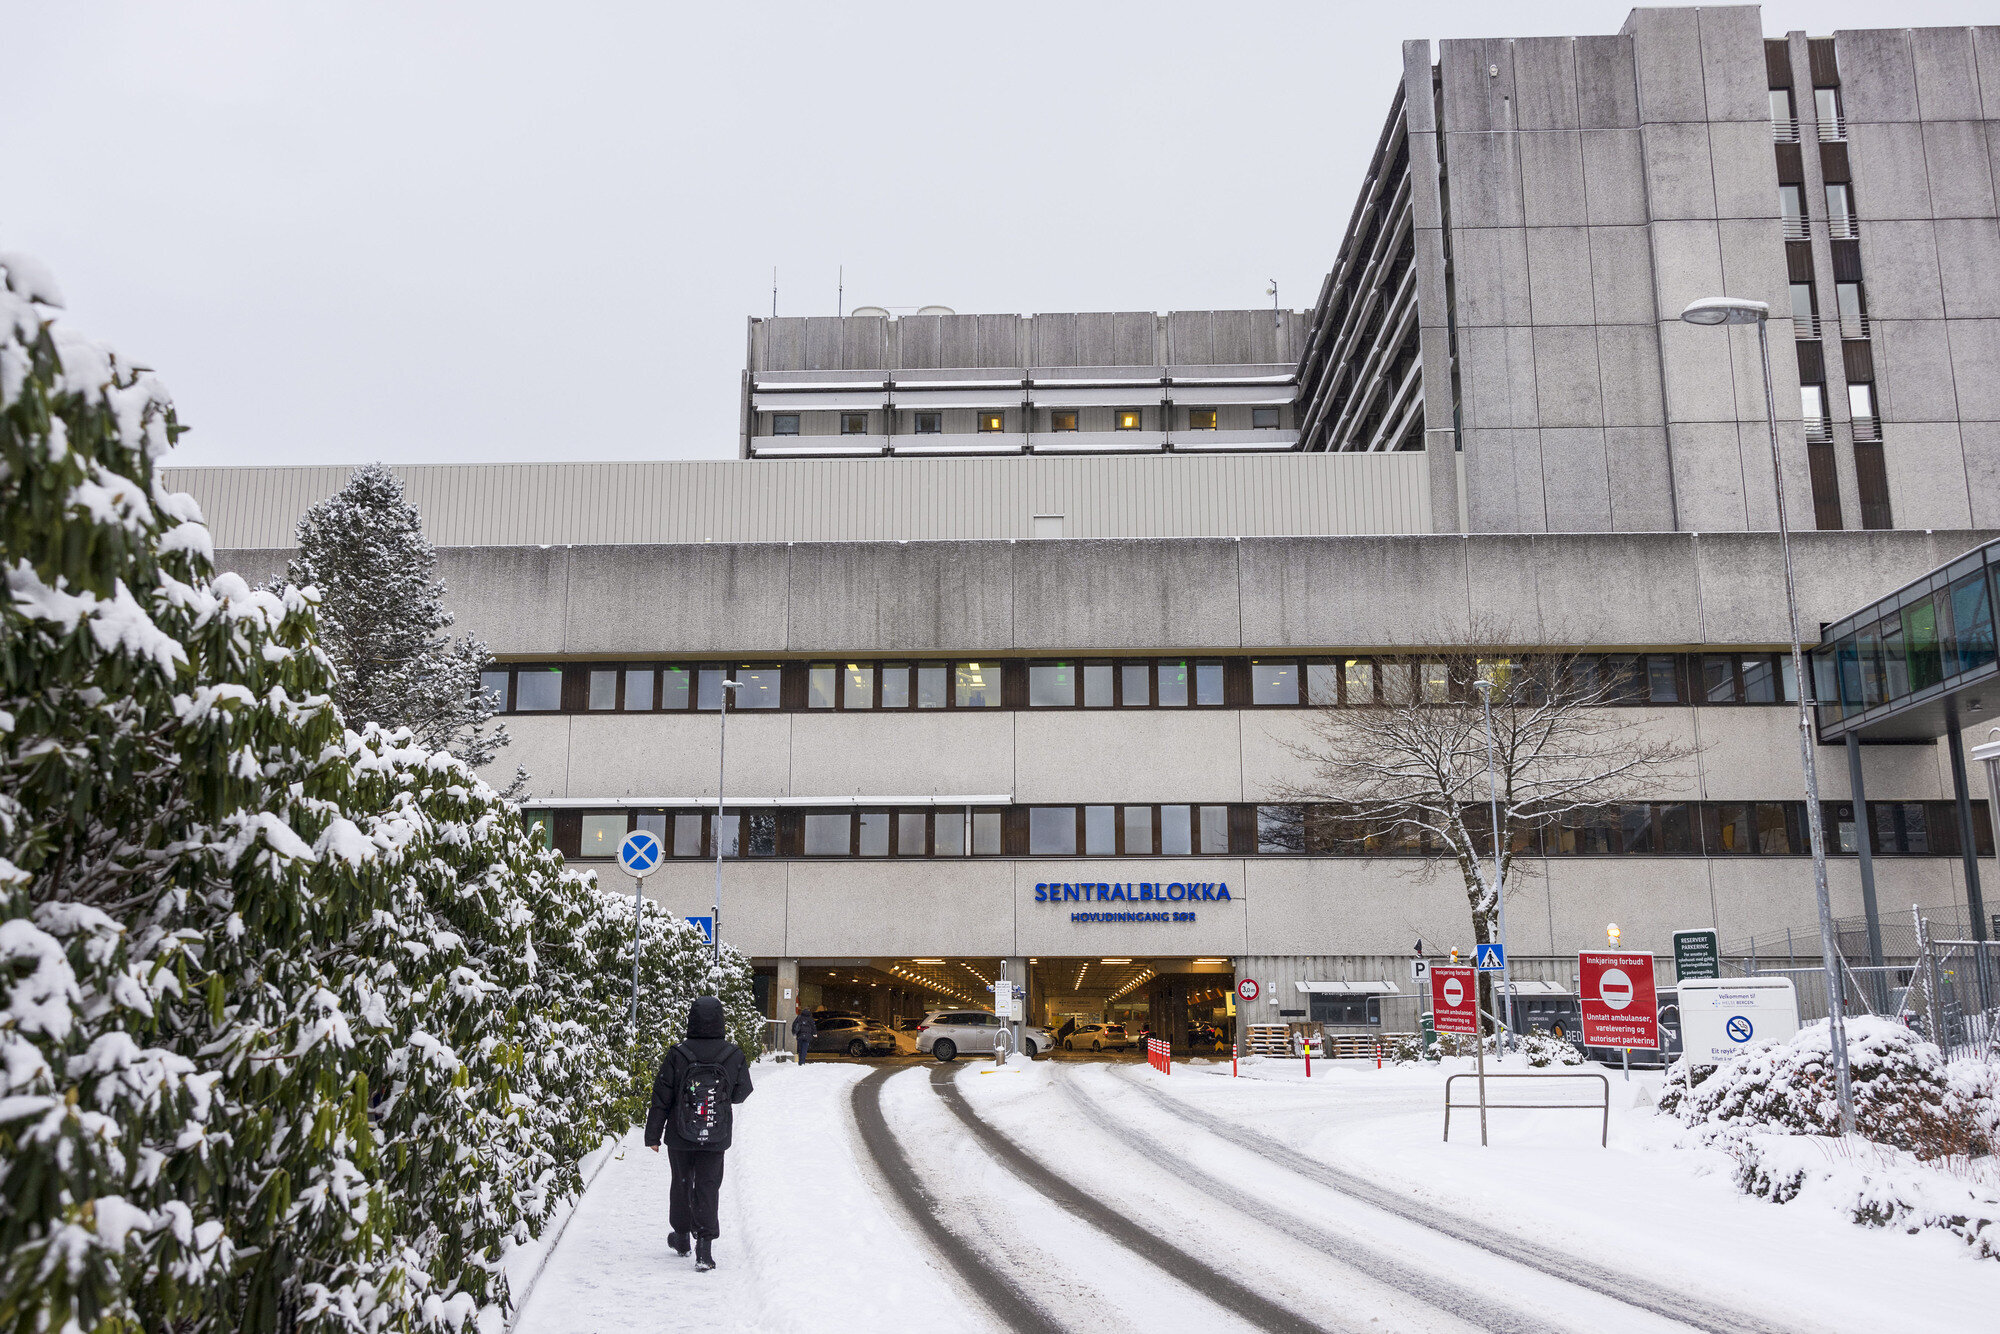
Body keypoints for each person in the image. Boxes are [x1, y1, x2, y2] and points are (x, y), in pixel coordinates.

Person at [645, 996, 754, 1272]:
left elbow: (662, 1097)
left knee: (681, 1183)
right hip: (716, 1134)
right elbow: (742, 1093)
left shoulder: (678, 1053)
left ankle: (681, 1238)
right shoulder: (733, 1054)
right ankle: (704, 1247)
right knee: (708, 1186)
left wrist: (653, 1135)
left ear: (691, 1018)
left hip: (680, 1135)